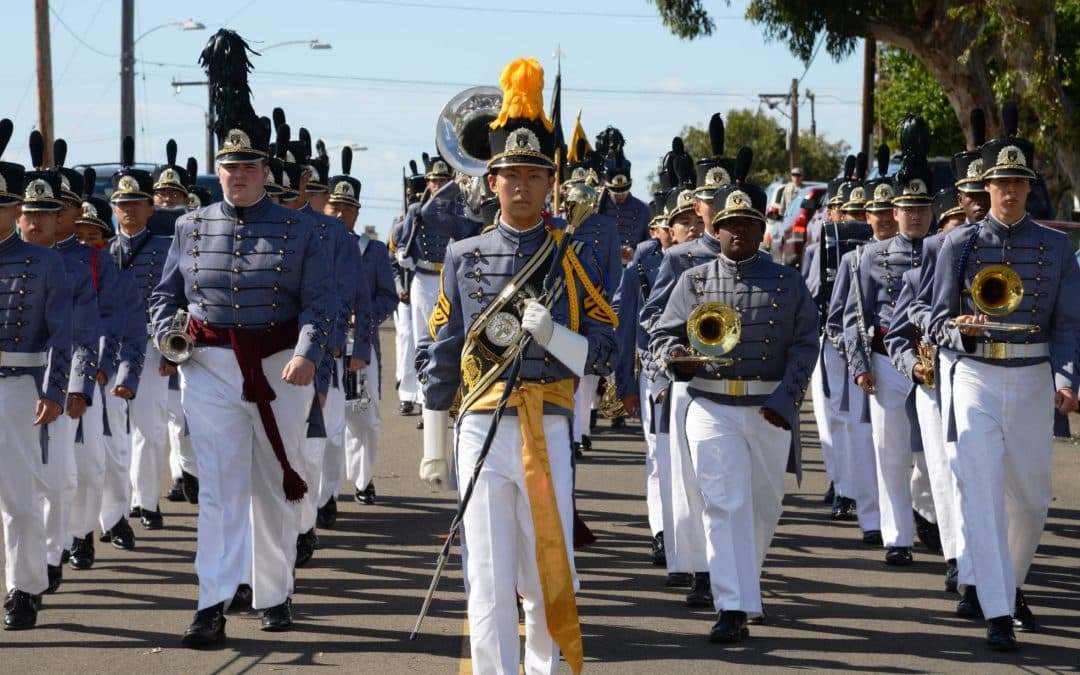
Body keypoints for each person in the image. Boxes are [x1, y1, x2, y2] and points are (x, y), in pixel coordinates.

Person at [421, 57, 616, 674]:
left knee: (546, 565)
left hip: (546, 422)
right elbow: (443, 349)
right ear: (493, 181)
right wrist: (434, 437)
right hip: (479, 421)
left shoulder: (571, 254)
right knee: (486, 571)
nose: (524, 186)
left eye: (535, 175)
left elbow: (607, 347)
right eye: (512, 175)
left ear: (549, 183)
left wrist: (555, 335)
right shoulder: (463, 254)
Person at [150, 29, 335, 646]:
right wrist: (164, 333)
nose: (237, 175)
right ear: (219, 171)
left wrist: (309, 353)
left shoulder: (299, 229)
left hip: (282, 364)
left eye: (248, 166)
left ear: (265, 170)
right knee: (220, 487)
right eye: (228, 166)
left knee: (271, 482)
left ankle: (274, 590)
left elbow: (321, 301)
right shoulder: (188, 225)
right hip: (207, 365)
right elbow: (165, 295)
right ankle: (212, 601)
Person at [926, 103, 1079, 651]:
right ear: (985, 187)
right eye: (1000, 183)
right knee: (983, 489)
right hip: (975, 374)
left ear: (1028, 186)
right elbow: (927, 313)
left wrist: (1066, 379)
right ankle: (995, 610)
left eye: (1018, 182)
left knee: (1033, 500)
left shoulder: (1058, 247)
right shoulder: (957, 244)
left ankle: (1009, 584)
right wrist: (955, 329)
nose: (1009, 192)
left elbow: (1068, 325)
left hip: (1034, 375)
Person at [650, 150, 818, 642]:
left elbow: (807, 343)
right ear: (716, 228)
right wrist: (677, 355)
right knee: (723, 505)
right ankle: (731, 606)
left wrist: (787, 401)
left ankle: (745, 587)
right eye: (730, 224)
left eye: (748, 223)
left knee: (763, 509)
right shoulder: (693, 279)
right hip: (709, 404)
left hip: (768, 408)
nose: (739, 231)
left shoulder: (788, 282)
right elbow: (662, 336)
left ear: (761, 228)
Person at [846, 118, 940, 567]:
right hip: (887, 360)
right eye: (909, 208)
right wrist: (861, 364)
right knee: (890, 450)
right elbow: (855, 314)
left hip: (938, 362)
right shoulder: (870, 256)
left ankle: (940, 528)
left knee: (936, 453)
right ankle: (896, 535)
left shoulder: (948, 249)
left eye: (923, 208)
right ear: (894, 212)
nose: (916, 215)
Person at [0, 126, 72, 629]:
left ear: (12, 212)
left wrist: (52, 390)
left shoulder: (43, 263)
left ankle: (23, 587)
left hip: (16, 387)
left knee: (18, 498)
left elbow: (62, 336)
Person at [324, 149, 396, 507]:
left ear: (356, 213)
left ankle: (363, 480)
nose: (339, 214)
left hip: (363, 345)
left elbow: (388, 296)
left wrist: (364, 317)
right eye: (333, 207)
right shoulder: (315, 247)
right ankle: (328, 490)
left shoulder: (374, 251)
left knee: (365, 420)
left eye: (346, 209)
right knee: (330, 421)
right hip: (327, 346)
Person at [109, 137, 173, 534]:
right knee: (114, 428)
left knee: (149, 425)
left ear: (150, 207)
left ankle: (146, 501)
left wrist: (172, 350)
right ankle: (117, 505)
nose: (128, 210)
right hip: (111, 346)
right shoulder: (103, 249)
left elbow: (181, 300)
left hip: (151, 344)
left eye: (135, 203)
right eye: (121, 203)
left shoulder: (168, 249)